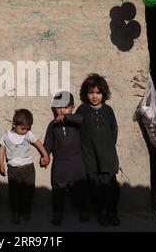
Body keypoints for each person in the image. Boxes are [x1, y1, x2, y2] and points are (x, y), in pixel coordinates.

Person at [77, 73, 120, 226]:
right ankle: (101, 212)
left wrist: (106, 147)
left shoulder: (108, 111)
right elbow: (79, 133)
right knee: (95, 188)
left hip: (107, 157)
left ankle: (112, 212)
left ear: (103, 93)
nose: (94, 96)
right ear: (85, 94)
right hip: (90, 158)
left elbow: (114, 131)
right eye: (91, 92)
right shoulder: (82, 110)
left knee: (110, 187)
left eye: (98, 92)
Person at [44, 91, 89, 226]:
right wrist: (45, 155)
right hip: (60, 163)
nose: (62, 110)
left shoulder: (75, 122)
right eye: (59, 107)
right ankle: (58, 213)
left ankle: (83, 210)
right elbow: (48, 142)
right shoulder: (53, 124)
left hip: (77, 163)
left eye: (66, 107)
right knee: (58, 189)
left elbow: (82, 119)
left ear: (72, 107)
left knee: (80, 188)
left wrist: (66, 117)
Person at [0, 109, 50, 224]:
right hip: (13, 170)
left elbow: (38, 143)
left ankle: (26, 210)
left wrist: (45, 155)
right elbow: (1, 149)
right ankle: (16, 212)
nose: (25, 131)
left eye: (28, 128)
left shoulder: (28, 134)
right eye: (22, 128)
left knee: (29, 191)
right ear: (14, 124)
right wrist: (1, 164)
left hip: (28, 169)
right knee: (14, 192)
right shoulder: (6, 136)